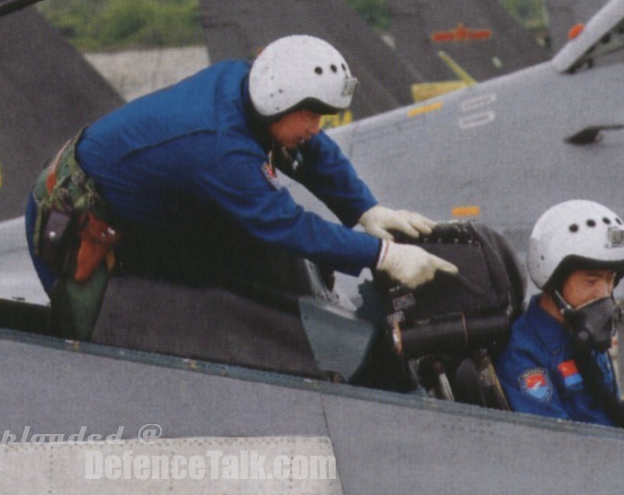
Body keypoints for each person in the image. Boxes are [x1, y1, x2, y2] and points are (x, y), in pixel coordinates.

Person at [25, 34, 456, 340]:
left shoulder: (247, 86)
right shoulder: (218, 148)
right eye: (311, 115)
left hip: (136, 205)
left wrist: (366, 210)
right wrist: (383, 255)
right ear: (278, 101)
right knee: (112, 343)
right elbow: (287, 226)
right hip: (73, 218)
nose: (315, 127)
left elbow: (311, 149)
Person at [495, 200, 624, 426]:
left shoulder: (588, 335)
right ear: (555, 281)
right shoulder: (524, 355)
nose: (603, 294)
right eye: (591, 281)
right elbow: (558, 447)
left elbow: (612, 412)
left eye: (610, 279)